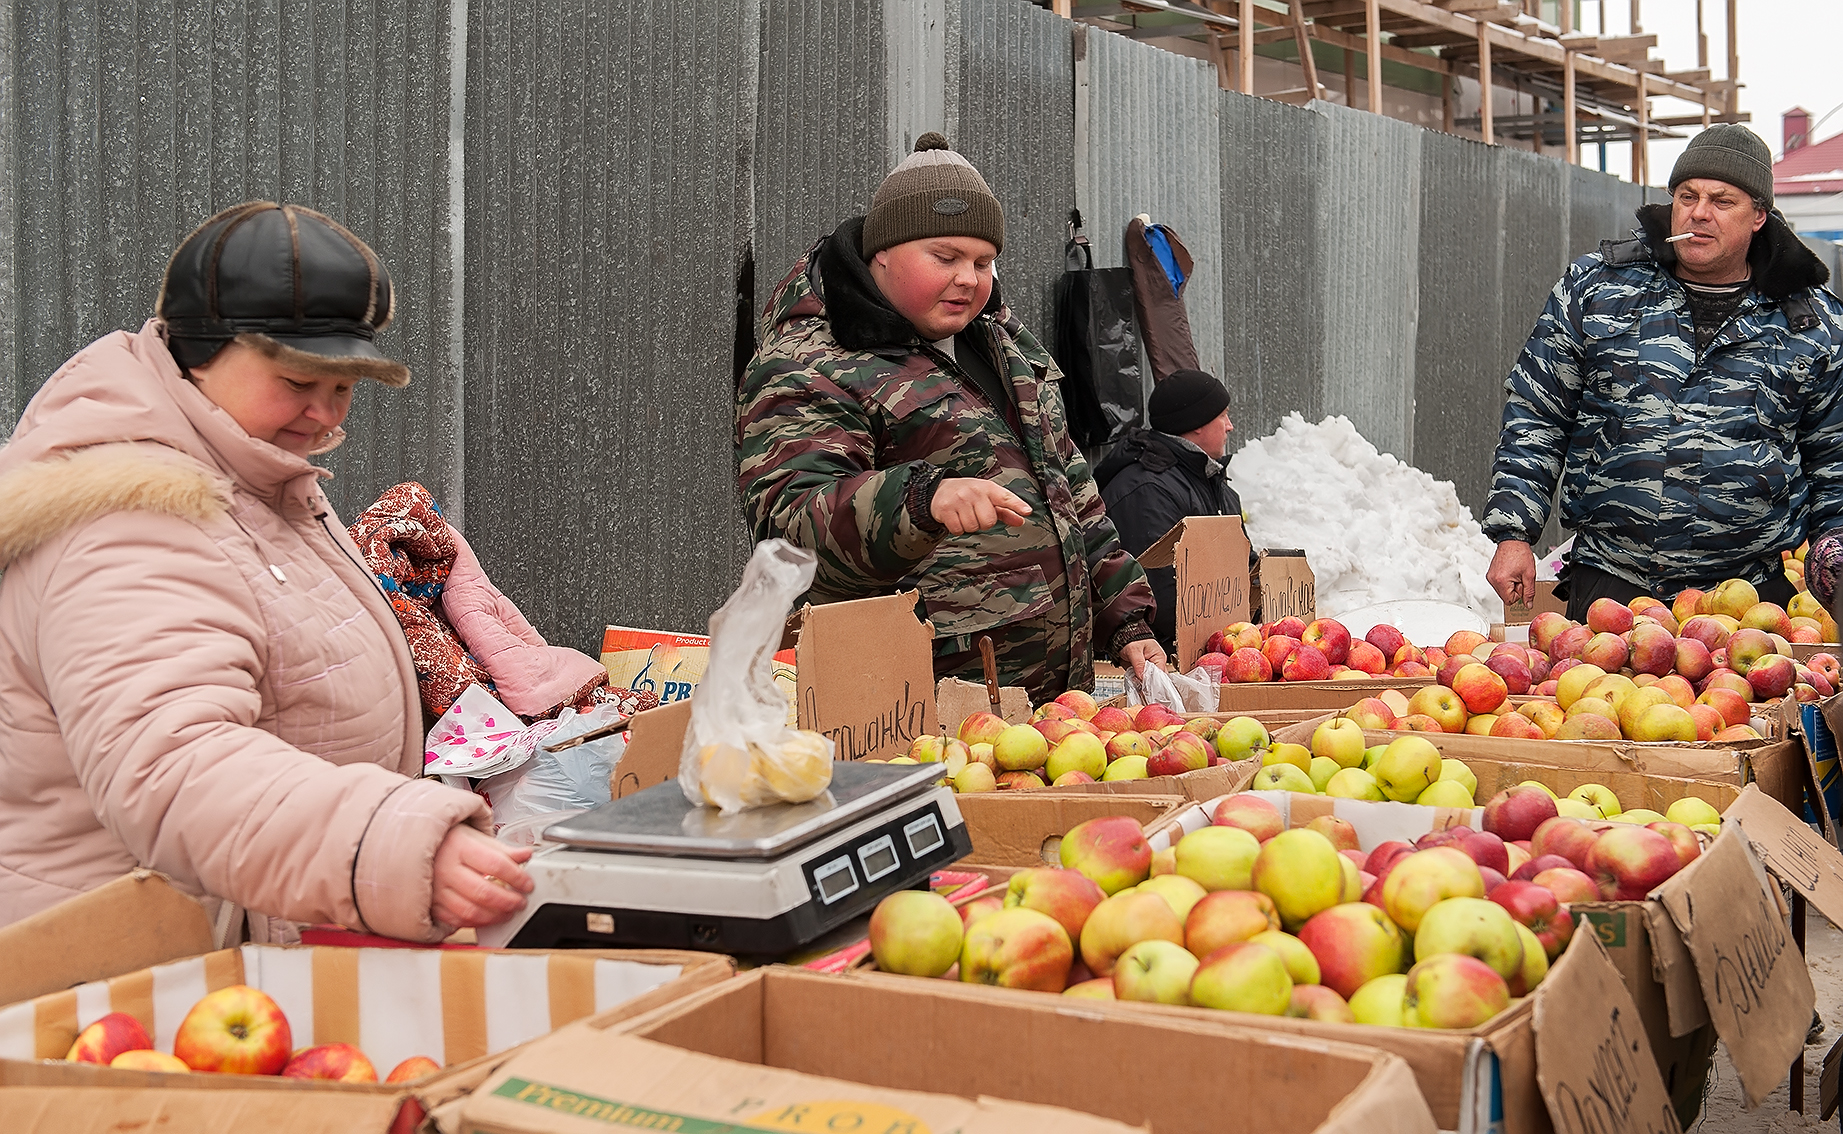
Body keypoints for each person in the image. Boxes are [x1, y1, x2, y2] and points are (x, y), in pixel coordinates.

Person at [0, 202, 532, 942]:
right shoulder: (126, 519)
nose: (323, 412)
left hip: (224, 959)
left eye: (344, 385)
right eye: (297, 379)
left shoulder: (249, 479)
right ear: (200, 352)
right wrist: (391, 844)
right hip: (126, 985)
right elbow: (175, 765)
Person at [737, 133, 1164, 701]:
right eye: (946, 257)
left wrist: (1125, 617)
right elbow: (791, 533)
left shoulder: (1006, 348)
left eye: (983, 261)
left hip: (1050, 710)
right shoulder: (809, 363)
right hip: (916, 713)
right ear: (881, 253)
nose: (969, 278)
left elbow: (1074, 495)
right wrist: (918, 500)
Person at [1482, 124, 1843, 620]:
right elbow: (1537, 415)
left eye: (1722, 200)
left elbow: (1834, 457)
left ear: (1759, 215)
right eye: (1687, 195)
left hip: (1747, 602)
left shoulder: (1811, 323)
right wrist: (1513, 532)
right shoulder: (1597, 290)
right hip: (1612, 590)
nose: (1699, 212)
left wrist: (1834, 546)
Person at [1096, 369, 1243, 652]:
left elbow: (1241, 565)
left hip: (1214, 647)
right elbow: (1161, 595)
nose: (1230, 426)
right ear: (1197, 423)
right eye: (1223, 415)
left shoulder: (1211, 480)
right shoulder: (1147, 490)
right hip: (1159, 655)